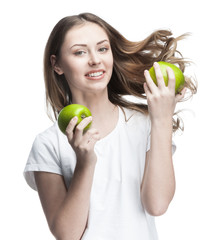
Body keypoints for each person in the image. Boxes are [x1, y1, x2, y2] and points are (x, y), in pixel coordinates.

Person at [23, 12, 197, 240]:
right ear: (57, 65)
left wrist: (162, 119)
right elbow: (67, 235)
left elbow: (157, 205)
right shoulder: (48, 143)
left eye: (102, 49)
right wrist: (85, 162)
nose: (95, 60)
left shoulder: (143, 124)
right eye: (80, 52)